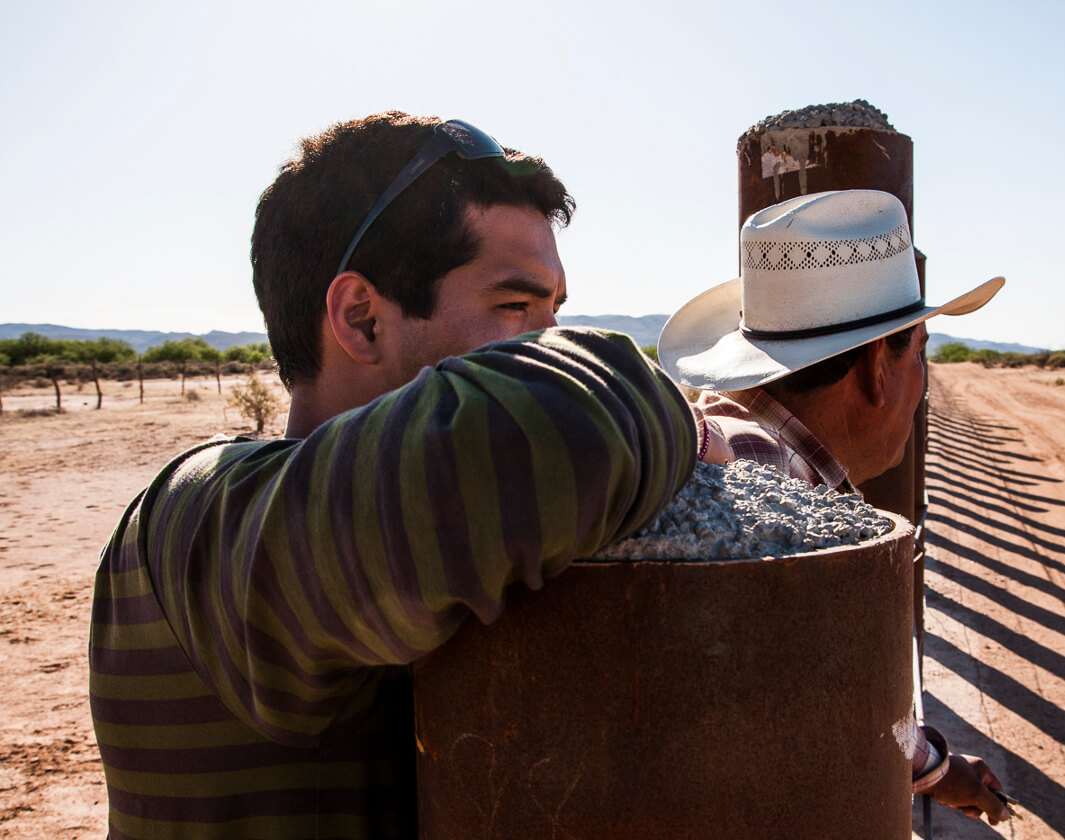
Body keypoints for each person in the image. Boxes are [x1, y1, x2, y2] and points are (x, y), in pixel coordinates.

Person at [89, 112, 698, 839]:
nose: (548, 346)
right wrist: (692, 423)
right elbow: (563, 431)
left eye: (555, 312)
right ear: (362, 318)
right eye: (515, 306)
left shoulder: (438, 521)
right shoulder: (196, 515)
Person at [658, 188, 1013, 825]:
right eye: (921, 352)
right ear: (880, 366)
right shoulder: (791, 519)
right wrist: (931, 763)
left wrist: (932, 766)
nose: (922, 384)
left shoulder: (706, 440)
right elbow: (843, 709)